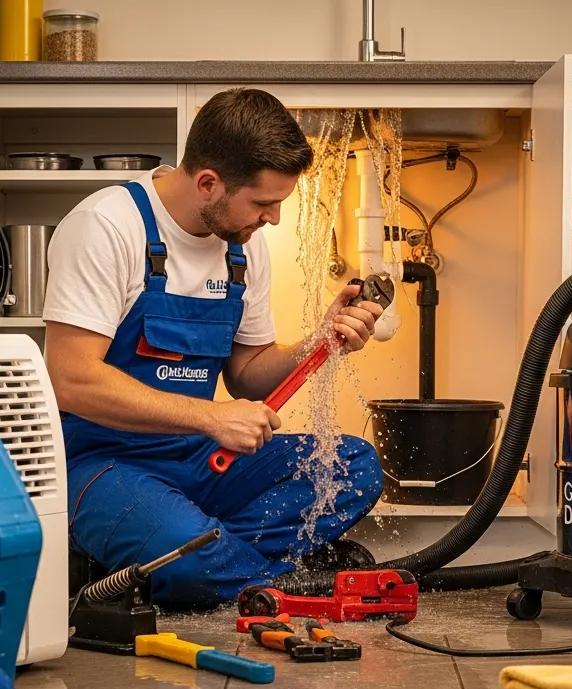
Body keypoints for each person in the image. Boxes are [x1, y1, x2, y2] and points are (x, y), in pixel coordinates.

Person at [43, 88, 386, 607]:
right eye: (264, 203)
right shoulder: (108, 227)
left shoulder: (243, 248)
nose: (272, 219)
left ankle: (196, 561)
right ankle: (260, 575)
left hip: (204, 461)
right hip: (103, 463)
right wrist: (211, 418)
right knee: (190, 558)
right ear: (208, 183)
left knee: (353, 465)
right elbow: (70, 381)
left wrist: (321, 341)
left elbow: (249, 373)